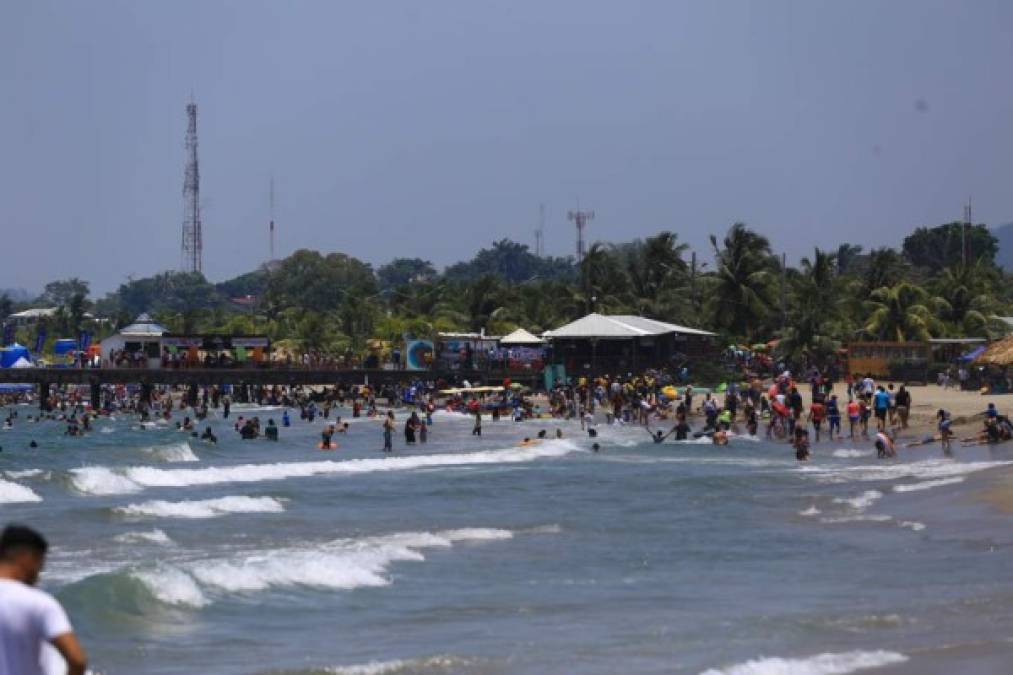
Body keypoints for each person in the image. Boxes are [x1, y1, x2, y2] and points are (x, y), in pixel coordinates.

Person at [0, 525, 88, 675]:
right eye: (39, 564)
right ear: (26, 558)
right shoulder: (37, 602)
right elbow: (77, 660)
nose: (38, 574)